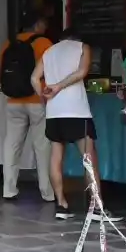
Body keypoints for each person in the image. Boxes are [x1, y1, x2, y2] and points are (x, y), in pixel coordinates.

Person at [0, 14, 54, 202]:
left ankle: (9, 189)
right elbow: (53, 70)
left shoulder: (9, 44)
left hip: (14, 101)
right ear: (38, 23)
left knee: (11, 145)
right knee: (42, 146)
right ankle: (47, 192)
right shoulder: (44, 43)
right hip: (37, 100)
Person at [33, 28, 93, 220]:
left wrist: (44, 99)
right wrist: (59, 86)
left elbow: (34, 78)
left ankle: (61, 204)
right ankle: (97, 207)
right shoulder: (83, 47)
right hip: (77, 110)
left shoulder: (48, 51)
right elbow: (82, 71)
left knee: (56, 158)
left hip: (54, 111)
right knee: (89, 159)